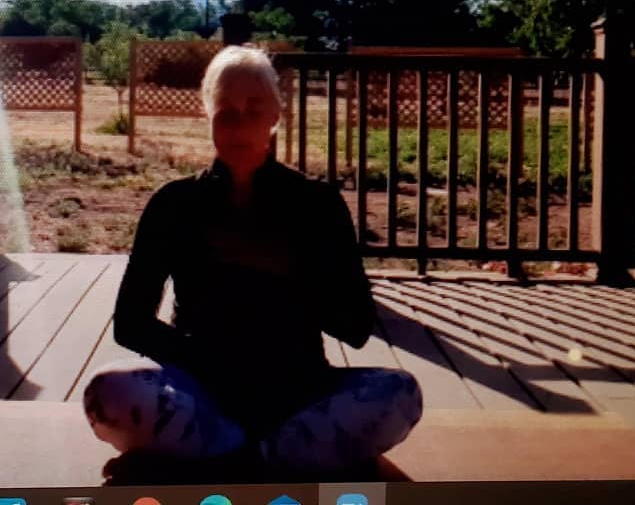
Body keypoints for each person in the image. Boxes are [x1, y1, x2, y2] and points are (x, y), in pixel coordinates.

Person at [82, 45, 422, 479]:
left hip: (297, 390)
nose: (240, 123)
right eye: (226, 111)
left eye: (254, 109)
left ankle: (225, 458)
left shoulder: (316, 204)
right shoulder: (175, 203)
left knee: (400, 393)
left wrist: (286, 268)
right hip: (201, 391)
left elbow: (355, 327)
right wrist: (204, 360)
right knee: (107, 392)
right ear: (208, 115)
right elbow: (130, 323)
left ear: (276, 115)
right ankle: (270, 456)